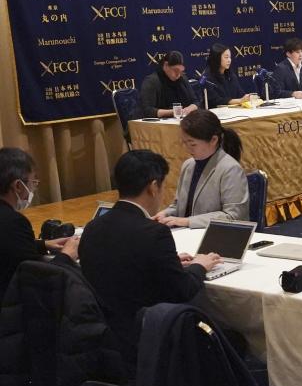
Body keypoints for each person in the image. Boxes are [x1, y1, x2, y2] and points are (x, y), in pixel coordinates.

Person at [79, 150, 221, 363]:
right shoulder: (154, 233)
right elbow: (181, 290)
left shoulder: (92, 227)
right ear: (153, 187)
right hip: (148, 339)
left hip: (103, 337)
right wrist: (199, 266)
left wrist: (170, 262)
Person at [0, 147, 79, 297]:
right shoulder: (14, 222)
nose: (33, 188)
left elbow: (7, 248)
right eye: (33, 182)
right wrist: (67, 256)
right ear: (17, 186)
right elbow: (36, 280)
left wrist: (43, 244)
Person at [152, 110, 249, 229]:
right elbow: (179, 205)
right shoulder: (188, 165)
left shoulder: (230, 169)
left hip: (214, 237)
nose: (187, 149)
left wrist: (187, 222)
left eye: (192, 144)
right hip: (187, 233)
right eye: (184, 143)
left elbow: (233, 216)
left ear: (213, 140)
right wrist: (165, 214)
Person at [140, 51, 198, 118]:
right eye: (175, 70)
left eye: (180, 70)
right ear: (166, 65)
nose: (178, 74)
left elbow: (196, 101)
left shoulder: (182, 78)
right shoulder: (151, 81)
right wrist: (174, 112)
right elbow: (147, 111)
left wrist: (190, 108)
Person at [201, 43, 251, 107]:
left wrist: (248, 97)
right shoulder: (206, 78)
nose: (229, 60)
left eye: (230, 57)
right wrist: (239, 101)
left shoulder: (230, 75)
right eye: (226, 57)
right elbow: (215, 101)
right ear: (217, 58)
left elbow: (240, 93)